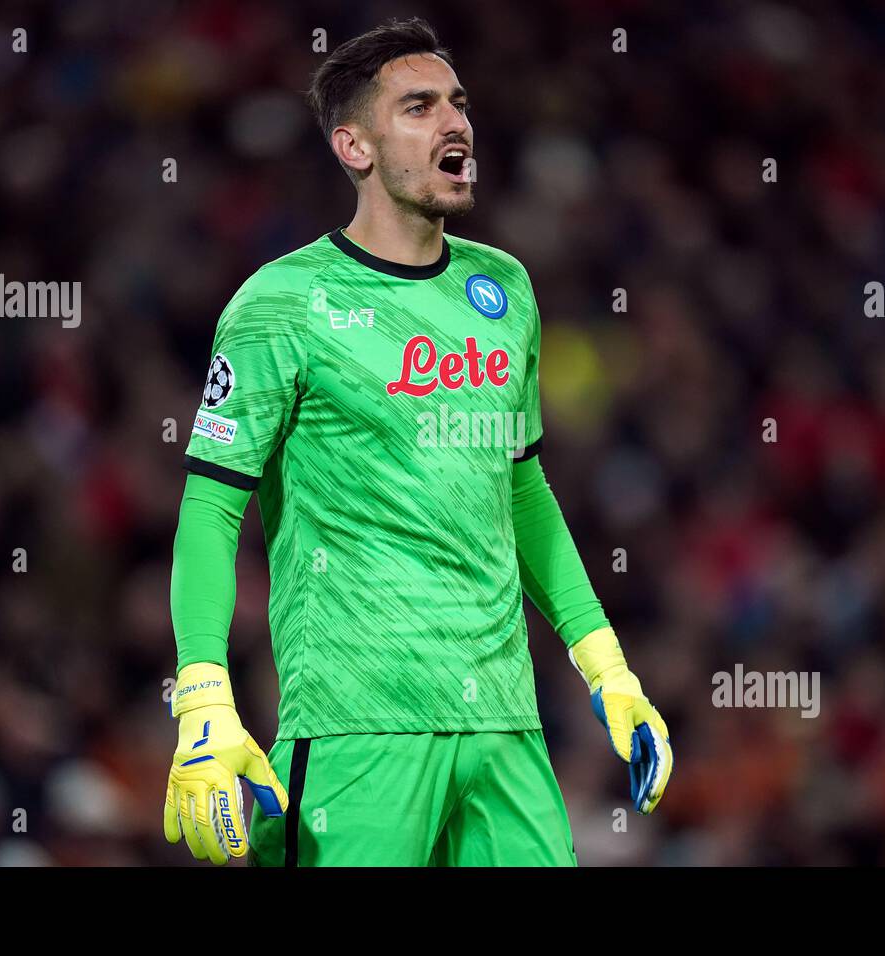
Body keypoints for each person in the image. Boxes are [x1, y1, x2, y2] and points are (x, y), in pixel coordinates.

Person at [162, 16, 671, 867]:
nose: (456, 124)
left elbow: (523, 492)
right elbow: (211, 511)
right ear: (354, 147)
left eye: (459, 104)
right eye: (420, 106)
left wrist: (607, 667)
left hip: (506, 725)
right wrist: (203, 697)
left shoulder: (502, 288)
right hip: (359, 726)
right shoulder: (280, 304)